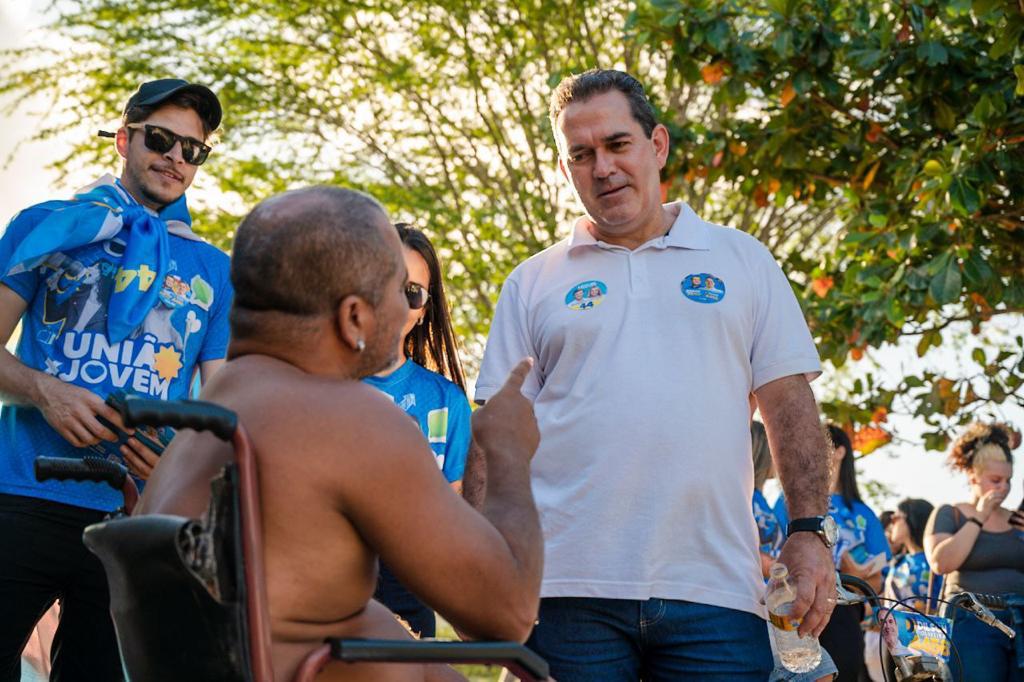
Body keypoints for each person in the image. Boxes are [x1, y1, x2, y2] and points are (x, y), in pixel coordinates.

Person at [468, 68, 836, 681]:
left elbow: (788, 403)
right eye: (581, 155)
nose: (602, 168)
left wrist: (808, 530)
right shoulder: (531, 282)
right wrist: (479, 564)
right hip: (565, 589)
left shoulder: (743, 259)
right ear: (565, 169)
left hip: (716, 590)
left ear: (657, 144)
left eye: (617, 144)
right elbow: (494, 434)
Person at [136, 186, 544, 682]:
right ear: (354, 317)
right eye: (396, 290)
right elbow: (505, 619)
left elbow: (323, 615)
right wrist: (507, 453)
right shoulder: (351, 420)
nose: (405, 308)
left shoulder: (205, 419)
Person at [0, 78, 231, 682]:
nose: (176, 158)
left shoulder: (215, 270)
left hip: (137, 518)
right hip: (22, 491)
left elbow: (226, 407)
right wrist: (45, 392)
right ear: (124, 140)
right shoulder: (46, 226)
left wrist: (181, 460)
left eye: (193, 150)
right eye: (160, 139)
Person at [364, 223, 472, 638]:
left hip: (410, 594)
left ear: (424, 308)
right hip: (328, 589)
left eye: (412, 292)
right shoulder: (317, 388)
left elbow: (451, 519)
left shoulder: (447, 402)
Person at [924, 422, 1024, 682]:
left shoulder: (1016, 519)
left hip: (1020, 619)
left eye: (1008, 481)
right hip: (972, 622)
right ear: (972, 476)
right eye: (995, 480)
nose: (1003, 488)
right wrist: (979, 516)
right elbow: (941, 562)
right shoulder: (951, 513)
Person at [752, 421, 839, 682]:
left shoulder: (760, 499)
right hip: (754, 600)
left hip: (775, 600)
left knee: (819, 667)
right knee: (816, 669)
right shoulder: (740, 497)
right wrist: (783, 569)